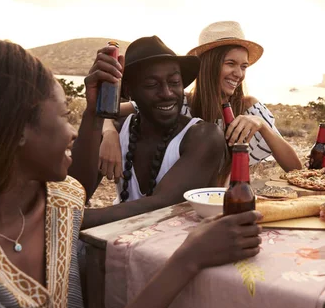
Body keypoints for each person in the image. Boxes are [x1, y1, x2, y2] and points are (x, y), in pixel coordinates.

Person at [0, 40, 262, 308]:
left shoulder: (56, 201)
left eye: (174, 83)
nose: (72, 132)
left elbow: (75, 191)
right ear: (15, 131)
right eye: (65, 114)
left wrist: (97, 115)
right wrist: (187, 260)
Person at [98, 21, 302, 183]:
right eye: (230, 63)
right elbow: (110, 111)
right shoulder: (177, 102)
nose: (238, 73)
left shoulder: (249, 108)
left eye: (244, 66)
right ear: (209, 65)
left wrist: (263, 127)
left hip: (224, 204)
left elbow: (296, 169)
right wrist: (109, 132)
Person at [70, 36, 230, 227]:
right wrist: (93, 113)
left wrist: (70, 219)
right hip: (118, 246)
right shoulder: (119, 131)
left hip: (179, 250)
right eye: (152, 85)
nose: (167, 93)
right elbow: (74, 192)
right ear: (129, 90)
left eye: (174, 82)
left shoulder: (204, 136)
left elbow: (162, 204)